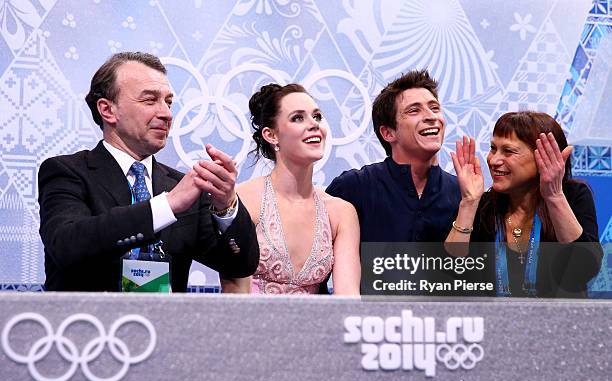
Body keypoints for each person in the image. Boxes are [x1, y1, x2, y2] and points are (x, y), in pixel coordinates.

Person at [38, 52, 259, 291]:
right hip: (89, 325)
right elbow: (66, 246)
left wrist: (226, 205)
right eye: (150, 100)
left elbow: (240, 265)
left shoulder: (180, 186)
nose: (166, 113)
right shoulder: (67, 172)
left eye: (169, 102)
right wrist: (166, 207)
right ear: (108, 110)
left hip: (164, 326)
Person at [221, 83, 361, 295]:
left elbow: (348, 299)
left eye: (317, 116)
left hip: (318, 327)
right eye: (298, 118)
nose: (313, 124)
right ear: (271, 135)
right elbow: (234, 294)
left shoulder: (340, 212)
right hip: (249, 325)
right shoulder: (245, 200)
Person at [446, 111, 602, 298]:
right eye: (493, 148)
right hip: (494, 323)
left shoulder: (572, 197)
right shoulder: (484, 205)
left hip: (560, 323)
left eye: (508, 151)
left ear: (542, 157)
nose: (493, 160)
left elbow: (584, 270)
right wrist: (469, 202)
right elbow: (451, 273)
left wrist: (553, 196)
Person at [326, 69, 461, 243]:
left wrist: (470, 203)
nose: (431, 116)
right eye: (414, 111)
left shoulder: (462, 193)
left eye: (435, 108)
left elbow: (473, 267)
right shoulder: (354, 188)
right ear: (388, 133)